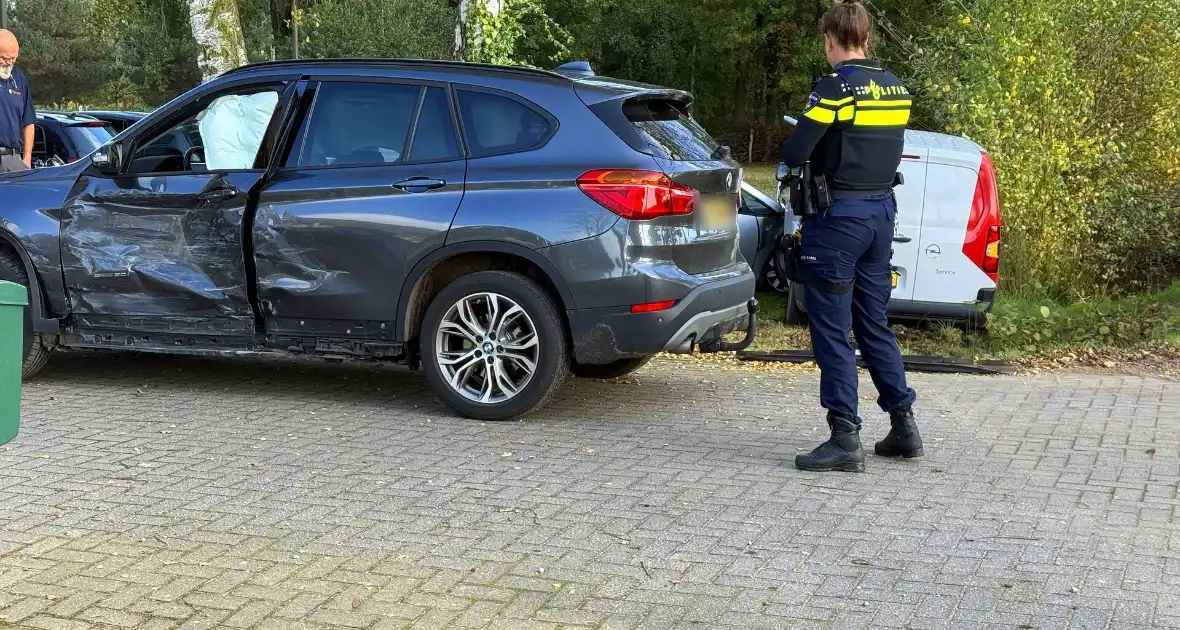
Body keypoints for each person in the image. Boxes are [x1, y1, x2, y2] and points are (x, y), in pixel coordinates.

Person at [780, 0, 921, 473]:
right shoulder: (896, 87)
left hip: (839, 218)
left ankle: (845, 437)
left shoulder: (836, 88)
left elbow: (798, 149)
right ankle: (904, 427)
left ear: (830, 40)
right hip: (882, 213)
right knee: (873, 321)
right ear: (867, 38)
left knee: (832, 328)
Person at [0, 29, 34, 173]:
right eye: (4, 58)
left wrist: (27, 158)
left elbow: (29, 121)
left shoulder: (19, 77)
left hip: (12, 160)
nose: (9, 63)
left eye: (13, 58)